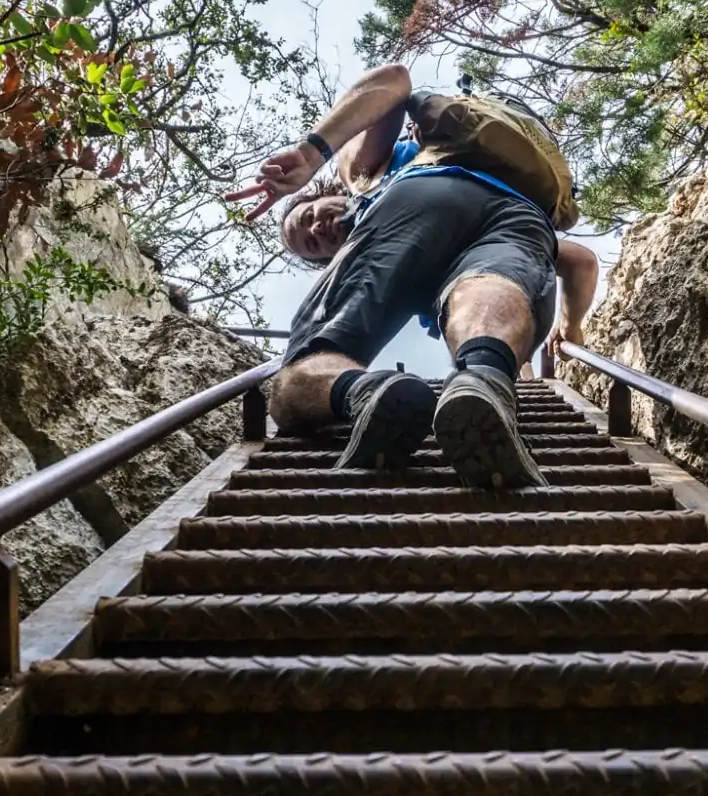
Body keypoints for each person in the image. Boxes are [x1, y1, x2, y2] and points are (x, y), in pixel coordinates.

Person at [227, 64, 592, 488]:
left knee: (295, 376)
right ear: (328, 258)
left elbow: (395, 78)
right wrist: (573, 326)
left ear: (329, 194)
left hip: (421, 195)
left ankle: (361, 391)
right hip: (521, 213)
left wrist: (311, 154)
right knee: (487, 286)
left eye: (308, 215)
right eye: (310, 244)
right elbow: (580, 261)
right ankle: (482, 380)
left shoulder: (364, 175)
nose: (315, 230)